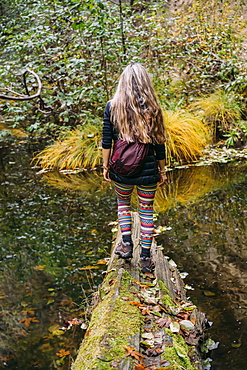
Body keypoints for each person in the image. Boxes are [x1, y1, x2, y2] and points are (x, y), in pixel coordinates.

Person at [102, 62, 167, 273]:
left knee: (123, 204)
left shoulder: (112, 106)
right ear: (145, 83)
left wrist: (105, 166)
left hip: (120, 169)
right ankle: (146, 259)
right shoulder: (153, 109)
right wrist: (162, 170)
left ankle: (126, 245)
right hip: (147, 172)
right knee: (146, 211)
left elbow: (106, 141)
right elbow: (159, 142)